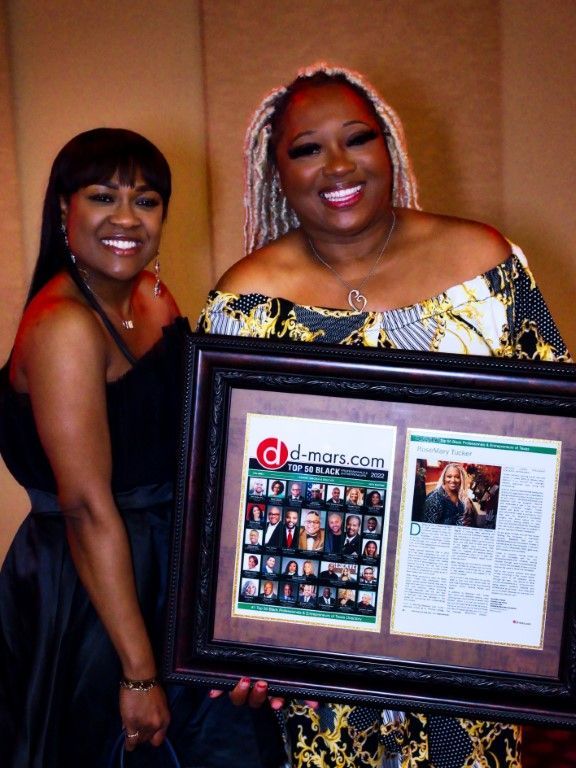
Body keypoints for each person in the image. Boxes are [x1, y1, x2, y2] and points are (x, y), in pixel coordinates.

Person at [198, 62, 571, 768]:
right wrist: (233, 641)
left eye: (356, 139)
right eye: (306, 148)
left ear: (388, 148)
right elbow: (225, 496)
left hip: (471, 629)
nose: (336, 165)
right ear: (276, 172)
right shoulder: (244, 302)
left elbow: (554, 443)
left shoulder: (485, 265)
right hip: (323, 640)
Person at [0, 129, 284, 768]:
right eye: (104, 197)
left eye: (147, 200)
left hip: (168, 564)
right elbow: (85, 508)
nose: (127, 218)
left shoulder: (151, 298)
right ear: (63, 210)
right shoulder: (64, 327)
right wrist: (136, 673)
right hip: (94, 590)